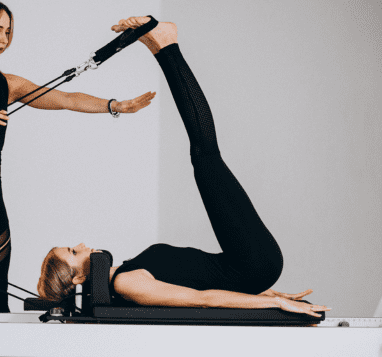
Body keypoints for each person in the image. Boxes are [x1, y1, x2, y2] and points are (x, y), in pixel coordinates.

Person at [37, 16, 331, 318]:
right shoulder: (127, 283)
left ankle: (161, 45)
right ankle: (166, 45)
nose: (82, 245)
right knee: (205, 155)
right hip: (253, 264)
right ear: (77, 278)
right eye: (74, 252)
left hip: (251, 271)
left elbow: (205, 277)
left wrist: (269, 293)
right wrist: (276, 303)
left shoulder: (125, 272)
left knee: (204, 156)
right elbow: (202, 299)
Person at [0, 0, 155, 313]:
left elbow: (65, 98)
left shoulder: (9, 84)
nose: (3, 38)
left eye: (8, 31)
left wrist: (113, 105)